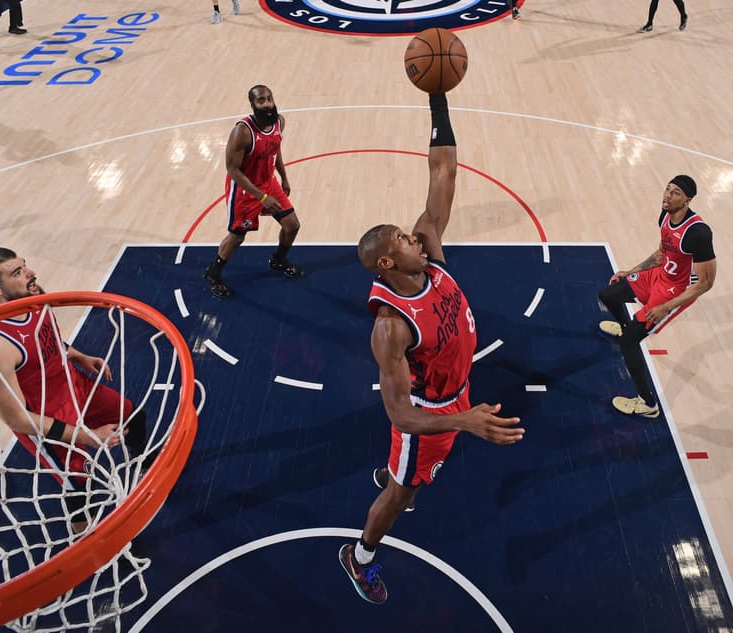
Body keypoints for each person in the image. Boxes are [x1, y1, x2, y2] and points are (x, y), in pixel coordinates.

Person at [338, 93, 525, 605]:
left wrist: (437, 96)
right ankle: (360, 556)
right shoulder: (391, 328)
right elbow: (400, 415)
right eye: (402, 238)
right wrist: (463, 421)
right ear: (385, 265)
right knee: (402, 495)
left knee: (410, 478)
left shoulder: (430, 252)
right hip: (431, 415)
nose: (414, 236)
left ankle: (397, 470)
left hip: (456, 394)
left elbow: (443, 174)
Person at [0, 248, 149, 531]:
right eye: (17, 273)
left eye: (24, 266)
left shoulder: (33, 297)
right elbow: (17, 419)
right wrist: (85, 436)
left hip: (73, 383)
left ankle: (142, 462)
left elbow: (46, 339)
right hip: (46, 416)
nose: (31, 273)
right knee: (80, 485)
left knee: (132, 415)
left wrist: (77, 354)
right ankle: (87, 539)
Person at [597, 175, 716, 418]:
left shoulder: (698, 233)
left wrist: (666, 307)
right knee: (609, 294)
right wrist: (632, 271)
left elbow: (706, 283)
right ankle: (625, 326)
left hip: (677, 290)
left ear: (687, 200)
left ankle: (647, 404)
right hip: (659, 275)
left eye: (675, 193)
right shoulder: (665, 215)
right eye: (667, 189)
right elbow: (663, 253)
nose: (667, 196)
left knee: (629, 342)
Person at [204, 85, 303, 298]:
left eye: (269, 98)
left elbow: (274, 151)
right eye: (261, 100)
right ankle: (214, 271)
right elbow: (232, 170)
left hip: (268, 182)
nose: (267, 104)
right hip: (244, 190)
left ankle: (278, 260)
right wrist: (262, 197)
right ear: (253, 104)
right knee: (237, 236)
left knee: (292, 225)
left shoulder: (279, 122)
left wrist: (284, 177)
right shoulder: (242, 132)